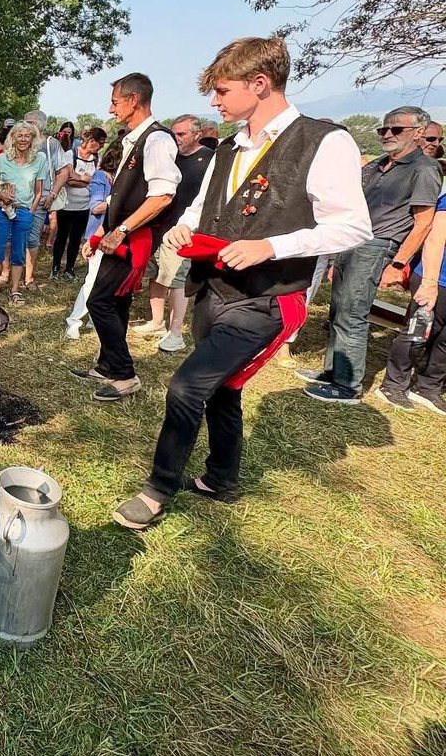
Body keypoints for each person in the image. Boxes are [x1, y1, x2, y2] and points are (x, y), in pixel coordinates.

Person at [112, 37, 371, 530]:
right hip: (215, 290)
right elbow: (200, 207)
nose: (214, 101)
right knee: (223, 388)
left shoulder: (324, 140)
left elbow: (354, 225)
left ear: (260, 84)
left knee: (187, 386)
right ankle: (221, 478)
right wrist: (185, 226)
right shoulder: (229, 146)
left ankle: (157, 489)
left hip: (267, 299)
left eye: (222, 91)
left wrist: (271, 246)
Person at [301, 106, 441, 404]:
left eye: (396, 130)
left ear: (418, 133)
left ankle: (347, 386)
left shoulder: (425, 169)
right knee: (339, 309)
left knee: (353, 313)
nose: (387, 135)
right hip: (353, 241)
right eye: (383, 130)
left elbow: (424, 223)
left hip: (378, 246)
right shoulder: (378, 164)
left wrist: (398, 263)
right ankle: (332, 372)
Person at [70, 73, 180, 402]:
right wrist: (105, 229)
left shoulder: (157, 140)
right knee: (114, 302)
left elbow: (162, 196)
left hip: (133, 242)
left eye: (116, 102)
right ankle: (107, 365)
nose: (110, 108)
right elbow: (123, 195)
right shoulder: (134, 139)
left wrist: (120, 231)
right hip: (118, 237)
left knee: (100, 301)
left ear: (134, 101)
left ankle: (124, 374)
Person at [130, 114, 214, 353]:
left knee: (177, 280)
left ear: (197, 134)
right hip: (158, 226)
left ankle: (175, 332)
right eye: (173, 134)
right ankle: (156, 322)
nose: (176, 139)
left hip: (183, 232)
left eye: (182, 134)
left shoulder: (210, 160)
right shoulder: (171, 157)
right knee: (157, 275)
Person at [377, 189, 446, 413]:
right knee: (420, 331)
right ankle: (393, 384)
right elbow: (435, 240)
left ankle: (428, 387)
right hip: (436, 277)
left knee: (445, 340)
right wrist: (429, 283)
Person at [0, 120, 43, 305]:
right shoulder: (3, 158)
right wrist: (2, 195)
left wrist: (31, 211)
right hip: (1, 211)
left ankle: (15, 290)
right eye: (19, 135)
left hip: (24, 212)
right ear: (13, 137)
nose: (23, 139)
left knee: (19, 252)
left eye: (27, 136)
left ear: (33, 138)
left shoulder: (39, 159)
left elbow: (39, 190)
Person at [64, 143, 116, 339]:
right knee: (93, 280)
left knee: (109, 283)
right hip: (99, 235)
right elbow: (95, 208)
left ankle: (97, 320)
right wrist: (115, 200)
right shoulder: (101, 176)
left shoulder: (124, 180)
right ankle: (74, 322)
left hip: (118, 237)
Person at [46, 126, 103, 281]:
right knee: (61, 236)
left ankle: (69, 269)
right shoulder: (70, 154)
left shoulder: (97, 159)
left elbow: (97, 180)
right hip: (66, 205)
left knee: (76, 238)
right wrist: (85, 179)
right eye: (100, 143)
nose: (101, 147)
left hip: (85, 206)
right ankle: (56, 268)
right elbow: (69, 178)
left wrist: (83, 178)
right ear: (91, 141)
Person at [24, 109, 65, 285]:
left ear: (41, 125)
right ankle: (6, 273)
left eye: (31, 122)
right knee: (11, 238)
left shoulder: (51, 144)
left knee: (32, 238)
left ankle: (28, 276)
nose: (27, 126)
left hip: (40, 200)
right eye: (26, 121)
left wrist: (52, 194)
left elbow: (63, 172)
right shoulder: (19, 141)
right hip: (17, 198)